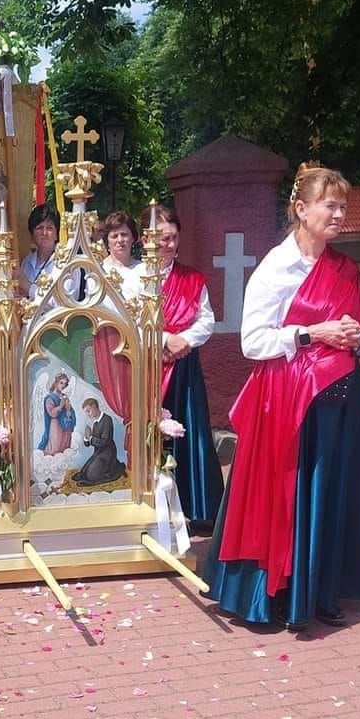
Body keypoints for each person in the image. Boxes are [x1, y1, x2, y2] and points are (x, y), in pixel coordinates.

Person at [203, 163, 360, 630]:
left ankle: (323, 589)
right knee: (288, 493)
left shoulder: (346, 268)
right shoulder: (275, 269)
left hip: (340, 398)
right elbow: (253, 342)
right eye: (329, 205)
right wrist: (312, 332)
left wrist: (355, 336)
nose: (338, 215)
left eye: (343, 207)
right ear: (301, 208)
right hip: (287, 401)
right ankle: (276, 592)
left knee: (331, 489)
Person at [144, 205, 224, 529]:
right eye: (161, 238)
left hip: (183, 369)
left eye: (173, 237)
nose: (168, 244)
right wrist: (165, 339)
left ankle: (196, 507)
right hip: (145, 368)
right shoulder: (135, 277)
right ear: (146, 239)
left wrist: (183, 342)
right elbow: (126, 321)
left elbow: (206, 320)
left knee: (188, 434)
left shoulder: (191, 279)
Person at [75, 398, 126, 486]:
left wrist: (90, 437)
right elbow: (87, 444)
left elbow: (104, 442)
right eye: (86, 412)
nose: (87, 414)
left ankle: (116, 469)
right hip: (98, 453)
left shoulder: (107, 420)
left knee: (91, 476)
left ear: (94, 407)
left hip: (108, 453)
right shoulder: (95, 423)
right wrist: (86, 437)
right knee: (84, 471)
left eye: (88, 411)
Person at [18, 204, 62, 297]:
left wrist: (28, 287)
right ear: (32, 234)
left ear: (56, 234)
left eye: (49, 228)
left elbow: (61, 301)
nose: (44, 233)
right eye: (39, 228)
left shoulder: (65, 262)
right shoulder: (26, 262)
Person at [100, 211, 145, 300]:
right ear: (107, 241)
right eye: (114, 236)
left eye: (124, 234)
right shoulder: (99, 270)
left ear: (133, 237)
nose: (120, 240)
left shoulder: (144, 269)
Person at [38, 372, 76, 455]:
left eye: (65, 384)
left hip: (66, 424)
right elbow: (52, 413)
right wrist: (60, 406)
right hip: (56, 425)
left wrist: (69, 410)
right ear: (56, 383)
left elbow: (70, 410)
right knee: (55, 449)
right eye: (61, 383)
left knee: (64, 448)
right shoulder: (50, 398)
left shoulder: (65, 396)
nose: (63, 385)